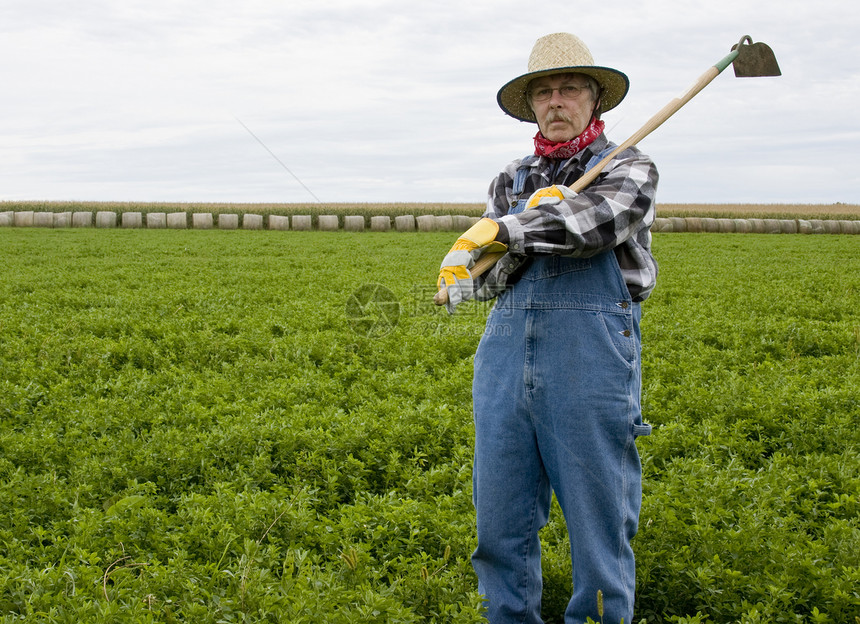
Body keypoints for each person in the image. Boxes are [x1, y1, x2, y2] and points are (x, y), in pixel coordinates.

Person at [436, 32, 658, 624]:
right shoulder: (510, 178)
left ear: (595, 101)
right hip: (506, 348)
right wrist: (467, 269)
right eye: (544, 92)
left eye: (569, 89)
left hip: (590, 351)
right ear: (532, 105)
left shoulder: (628, 166)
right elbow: (495, 272)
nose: (556, 101)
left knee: (598, 522)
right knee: (500, 517)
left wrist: (513, 227)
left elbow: (593, 226)